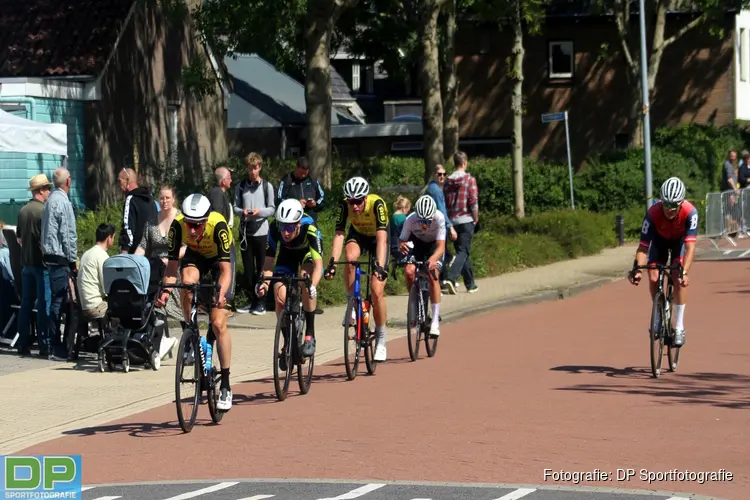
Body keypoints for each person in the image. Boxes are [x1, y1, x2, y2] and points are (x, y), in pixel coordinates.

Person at [156, 194, 236, 411]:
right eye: (189, 224)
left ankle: (226, 385)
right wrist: (166, 290)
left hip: (220, 261)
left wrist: (221, 295)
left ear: (206, 220)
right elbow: (172, 267)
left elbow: (226, 271)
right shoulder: (177, 226)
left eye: (197, 225)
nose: (191, 230)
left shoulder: (218, 226)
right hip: (196, 257)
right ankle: (190, 330)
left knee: (218, 323)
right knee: (187, 281)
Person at [324, 176, 390, 361]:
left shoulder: (377, 204)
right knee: (350, 257)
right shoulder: (344, 206)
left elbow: (382, 239)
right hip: (359, 235)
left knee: (377, 291)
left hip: (378, 238)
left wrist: (380, 266)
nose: (354, 206)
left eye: (358, 201)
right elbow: (339, 234)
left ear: (365, 198)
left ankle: (381, 339)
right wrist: (332, 263)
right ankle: (352, 303)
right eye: (351, 201)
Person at [628, 177, 697, 347]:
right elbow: (643, 247)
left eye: (674, 205)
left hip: (679, 243)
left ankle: (679, 326)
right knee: (652, 276)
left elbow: (690, 248)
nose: (669, 209)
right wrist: (638, 270)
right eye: (666, 204)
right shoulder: (652, 214)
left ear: (681, 203)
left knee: (677, 275)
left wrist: (684, 272)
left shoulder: (690, 213)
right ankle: (658, 314)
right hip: (659, 242)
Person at [256, 199, 324, 365]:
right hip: (287, 257)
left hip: (307, 256)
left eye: (290, 227)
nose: (285, 232)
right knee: (279, 294)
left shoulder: (310, 229)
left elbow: (318, 266)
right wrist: (264, 284)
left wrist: (313, 286)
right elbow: (268, 264)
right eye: (282, 227)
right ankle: (287, 342)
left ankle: (310, 333)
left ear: (299, 223)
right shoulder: (274, 229)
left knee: (305, 279)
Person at [41, 167, 78, 362]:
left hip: (49, 257)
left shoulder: (49, 202)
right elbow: (67, 234)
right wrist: (73, 259)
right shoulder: (63, 202)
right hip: (60, 257)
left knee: (57, 300)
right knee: (58, 301)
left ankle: (57, 344)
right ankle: (56, 347)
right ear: (68, 182)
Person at [234, 152, 276, 315]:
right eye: (250, 168)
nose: (253, 171)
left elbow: (272, 209)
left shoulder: (267, 186)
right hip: (246, 232)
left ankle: (262, 302)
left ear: (260, 168)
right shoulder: (241, 186)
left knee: (262, 268)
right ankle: (251, 299)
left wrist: (259, 212)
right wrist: (243, 212)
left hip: (262, 232)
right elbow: (235, 208)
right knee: (248, 270)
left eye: (255, 168)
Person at [398, 195, 447, 336]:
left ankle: (435, 322)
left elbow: (441, 247)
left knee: (433, 275)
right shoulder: (410, 220)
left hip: (434, 246)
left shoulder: (439, 218)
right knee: (409, 271)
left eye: (427, 221)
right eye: (421, 220)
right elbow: (401, 240)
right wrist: (401, 246)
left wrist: (432, 259)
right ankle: (414, 304)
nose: (424, 225)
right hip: (417, 244)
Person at [15, 174, 52, 356]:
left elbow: (19, 239)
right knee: (44, 304)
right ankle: (44, 344)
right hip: (41, 264)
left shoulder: (23, 211)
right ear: (40, 191)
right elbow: (46, 239)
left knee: (26, 303)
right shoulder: (43, 211)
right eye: (46, 189)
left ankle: (23, 342)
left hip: (26, 263)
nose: (49, 192)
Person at [77, 223, 115, 320]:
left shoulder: (87, 253)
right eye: (113, 237)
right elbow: (107, 288)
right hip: (95, 306)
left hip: (83, 305)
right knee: (124, 310)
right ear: (109, 238)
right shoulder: (102, 255)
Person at [117, 168, 157, 254]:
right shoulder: (150, 199)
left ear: (127, 180)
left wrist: (124, 251)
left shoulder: (130, 200)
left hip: (136, 255)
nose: (119, 185)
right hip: (152, 253)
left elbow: (128, 227)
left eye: (119, 181)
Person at [275, 157, 326, 222]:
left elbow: (322, 198)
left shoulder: (313, 180)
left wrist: (315, 204)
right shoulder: (286, 180)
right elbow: (278, 199)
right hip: (291, 220)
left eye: (305, 173)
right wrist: (296, 204)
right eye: (301, 173)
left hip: (310, 219)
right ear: (296, 168)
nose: (303, 175)